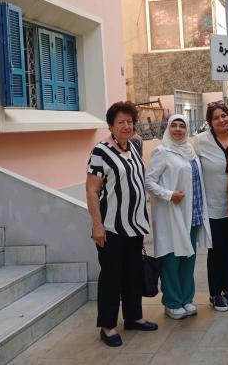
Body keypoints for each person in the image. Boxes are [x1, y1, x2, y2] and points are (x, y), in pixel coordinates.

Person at [86, 101, 158, 348]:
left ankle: (133, 317)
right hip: (111, 227)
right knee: (111, 277)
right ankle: (107, 326)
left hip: (134, 225)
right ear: (111, 126)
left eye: (130, 121)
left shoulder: (134, 146)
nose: (126, 126)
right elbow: (92, 191)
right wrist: (97, 226)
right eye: (121, 122)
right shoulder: (101, 151)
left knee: (132, 273)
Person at [145, 114, 212, 320]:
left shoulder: (190, 152)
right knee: (172, 259)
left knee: (188, 259)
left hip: (193, 214)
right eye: (173, 125)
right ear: (168, 129)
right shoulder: (162, 152)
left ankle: (186, 299)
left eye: (181, 126)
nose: (177, 129)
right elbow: (149, 182)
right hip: (171, 215)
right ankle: (172, 302)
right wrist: (169, 194)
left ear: (186, 130)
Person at [193, 101, 228, 312]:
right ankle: (214, 293)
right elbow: (191, 168)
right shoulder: (201, 141)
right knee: (216, 249)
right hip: (212, 205)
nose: (221, 120)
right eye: (216, 118)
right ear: (209, 122)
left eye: (224, 115)